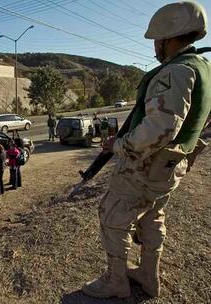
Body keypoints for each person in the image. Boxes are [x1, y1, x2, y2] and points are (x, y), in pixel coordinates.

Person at [82, 2, 210, 299]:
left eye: (157, 39)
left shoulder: (176, 72)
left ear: (169, 36)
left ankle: (116, 281)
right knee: (152, 215)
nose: (155, 45)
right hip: (169, 167)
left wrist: (118, 145)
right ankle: (148, 277)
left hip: (146, 164)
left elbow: (160, 129)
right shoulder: (203, 68)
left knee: (112, 216)